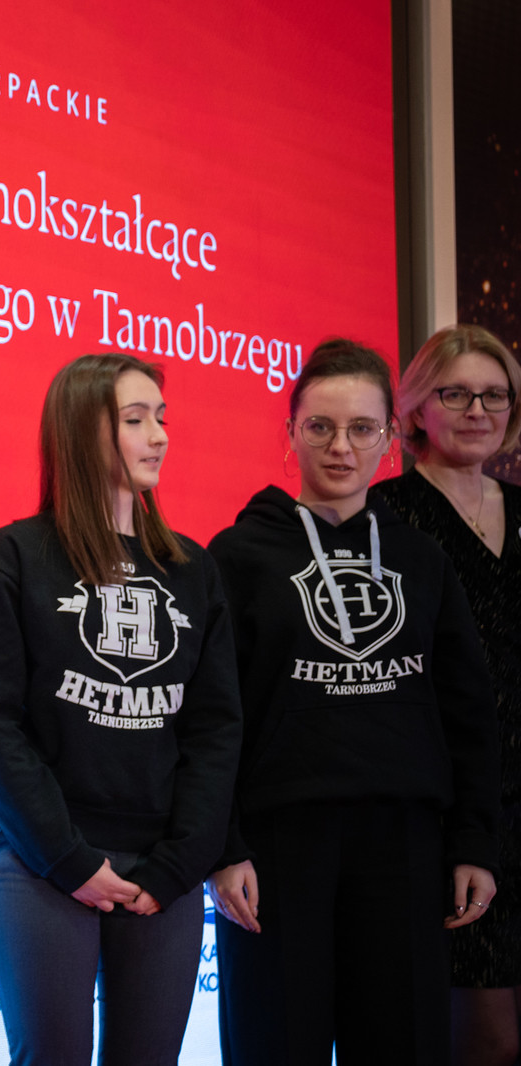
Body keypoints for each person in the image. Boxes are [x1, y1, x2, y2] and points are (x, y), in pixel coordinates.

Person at [208, 338, 501, 1065]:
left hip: (405, 847)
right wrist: (224, 846)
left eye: (362, 428)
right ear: (291, 432)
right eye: (321, 427)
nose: (341, 448)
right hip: (277, 851)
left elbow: (468, 710)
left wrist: (473, 840)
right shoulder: (237, 557)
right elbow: (212, 718)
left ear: (391, 437)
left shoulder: (421, 557)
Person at [0, 353, 242, 1064]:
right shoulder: (14, 558)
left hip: (162, 872)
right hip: (40, 862)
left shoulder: (193, 569)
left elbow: (214, 732)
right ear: (83, 430)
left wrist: (179, 865)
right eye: (136, 419)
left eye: (162, 418)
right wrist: (67, 857)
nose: (160, 436)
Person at [370, 324, 521, 1066]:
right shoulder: (382, 516)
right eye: (456, 393)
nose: (478, 410)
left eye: (495, 395)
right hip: (449, 809)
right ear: (416, 408)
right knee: (484, 1037)